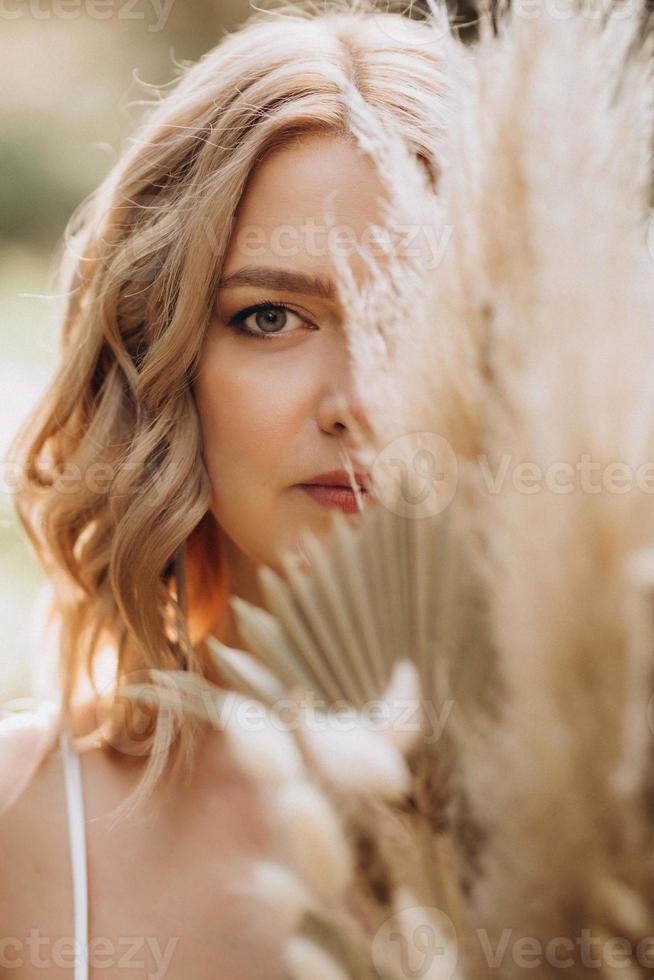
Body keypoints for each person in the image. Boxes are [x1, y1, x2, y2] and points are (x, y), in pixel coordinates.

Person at [0, 1, 446, 976]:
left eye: (419, 310)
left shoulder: (616, 806)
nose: (358, 400)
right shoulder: (18, 820)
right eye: (271, 315)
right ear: (161, 360)